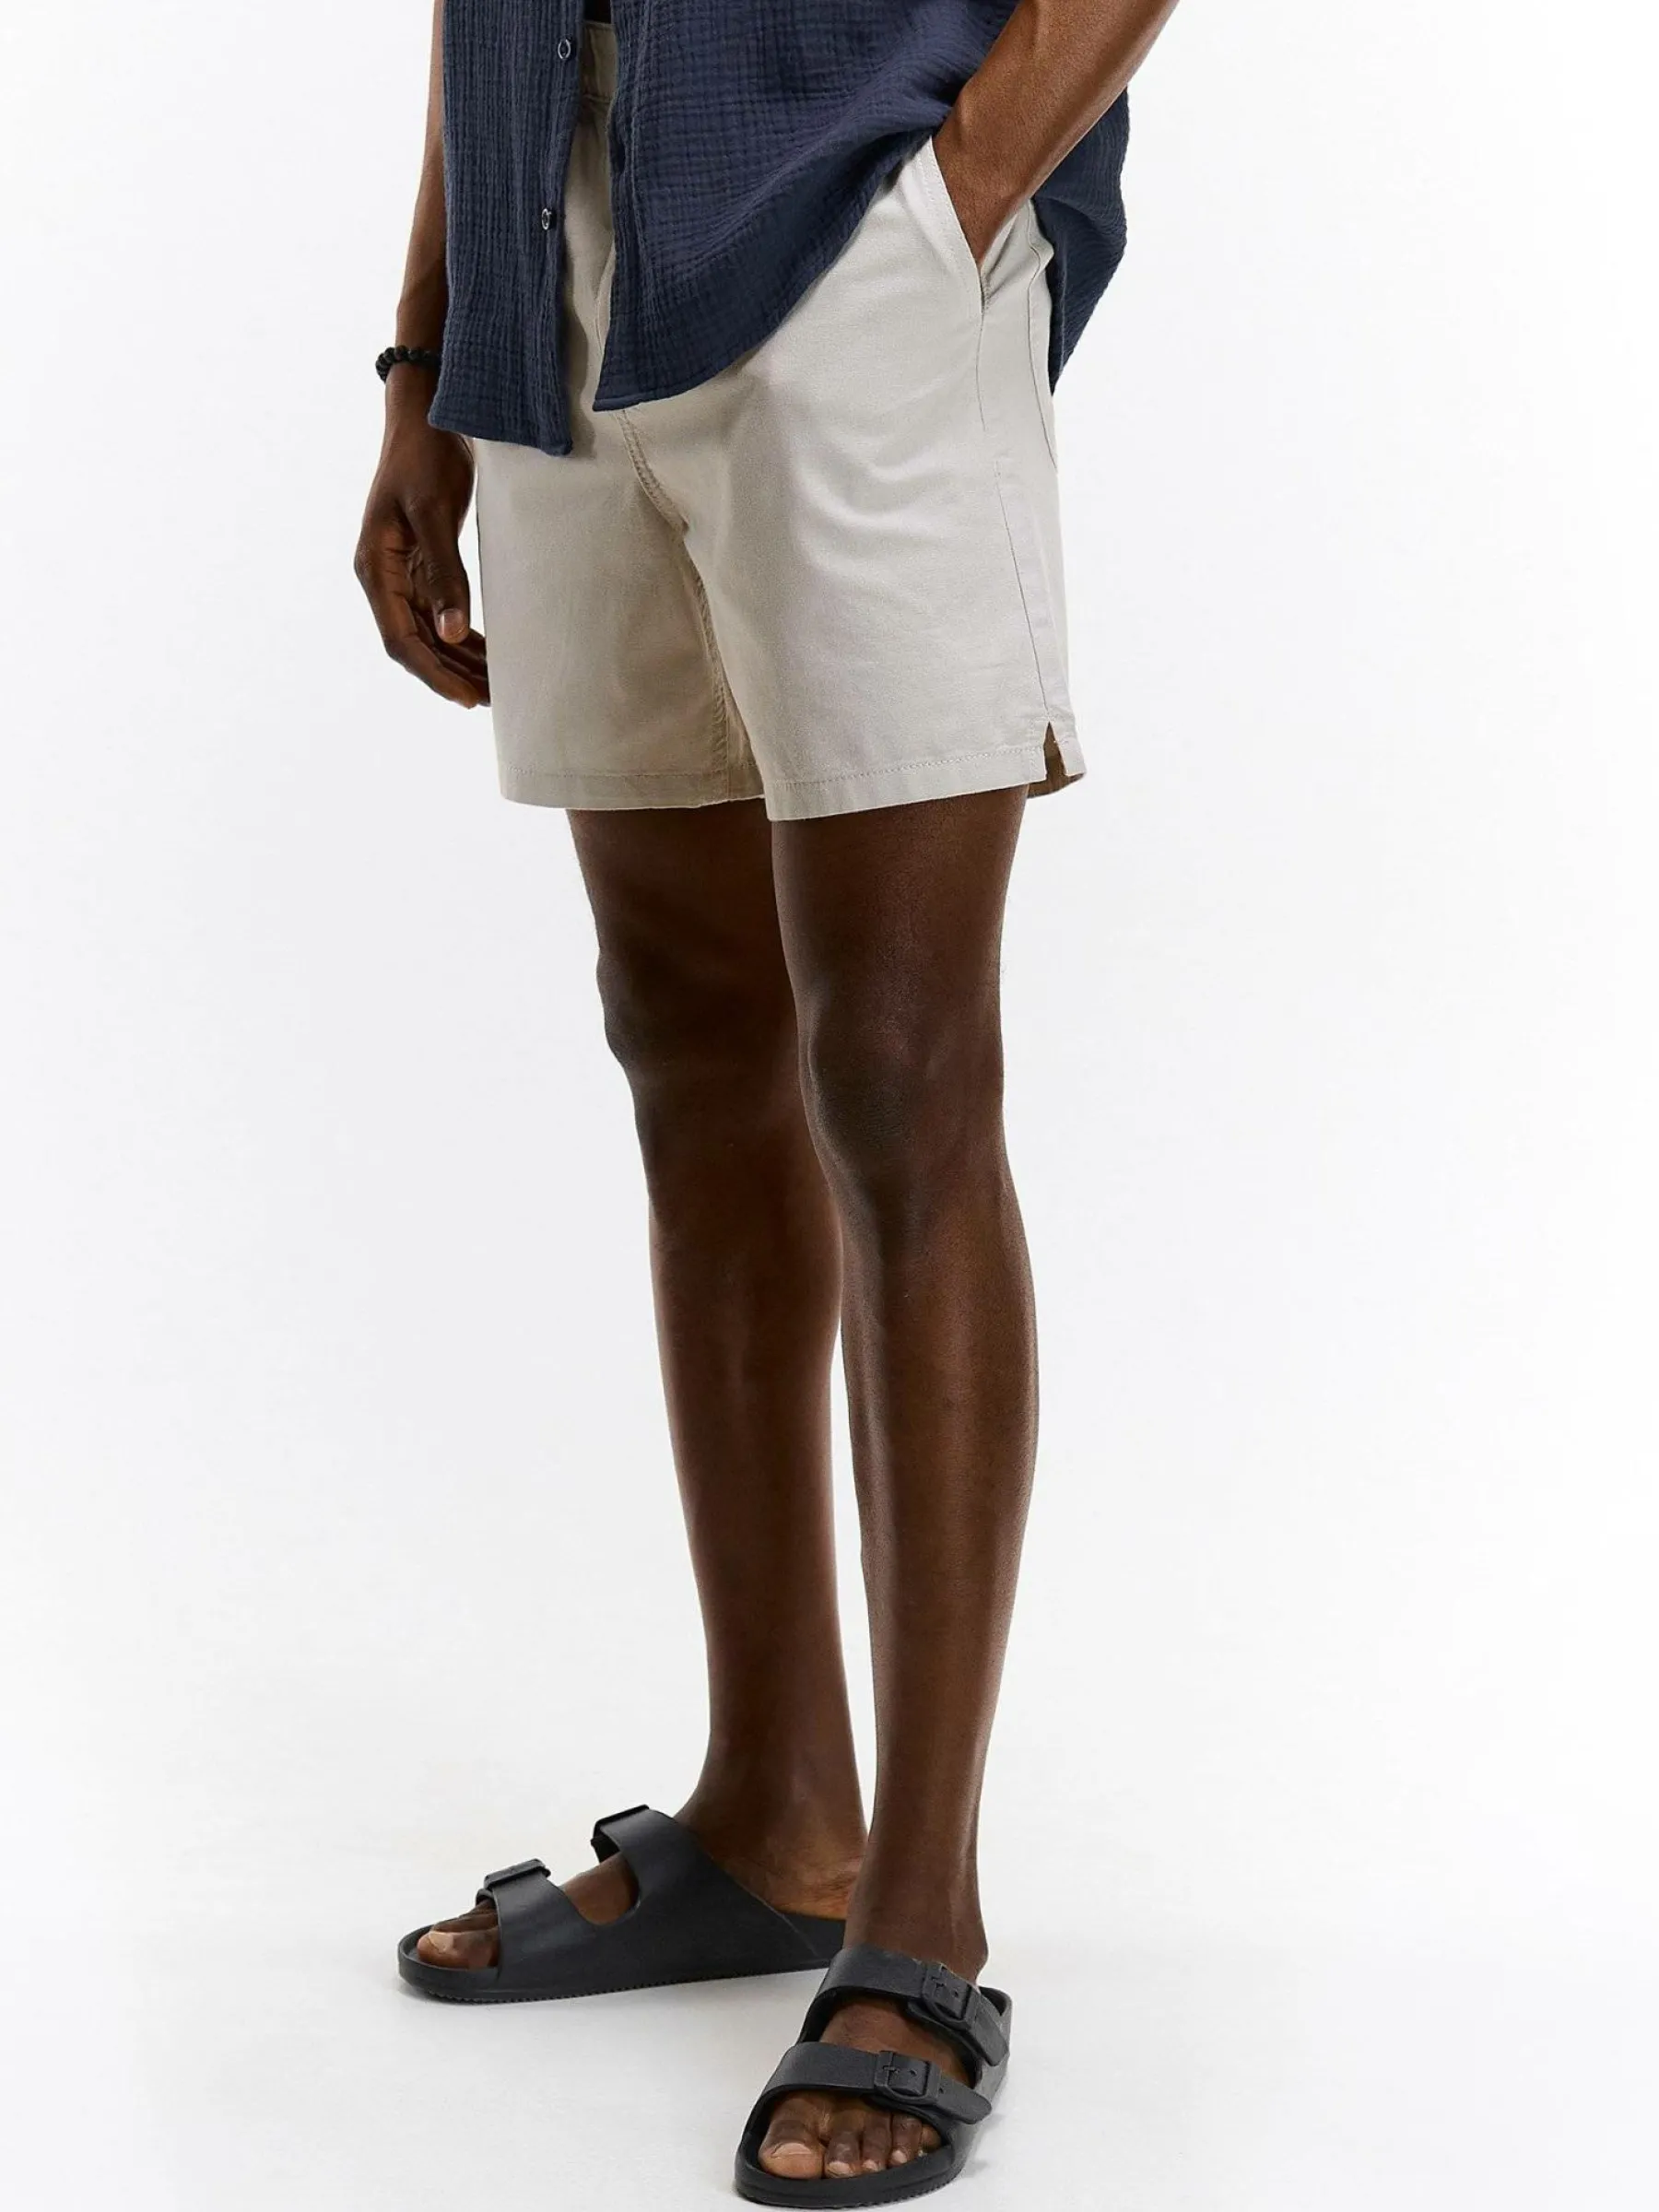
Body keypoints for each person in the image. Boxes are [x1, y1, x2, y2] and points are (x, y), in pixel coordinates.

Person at [355, 0, 1181, 2195]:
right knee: (685, 1039)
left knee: (899, 1074)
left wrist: (961, 190)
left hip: (859, 241)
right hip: (549, 281)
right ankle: (773, 1815)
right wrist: (429, 355)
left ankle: (922, 1914)